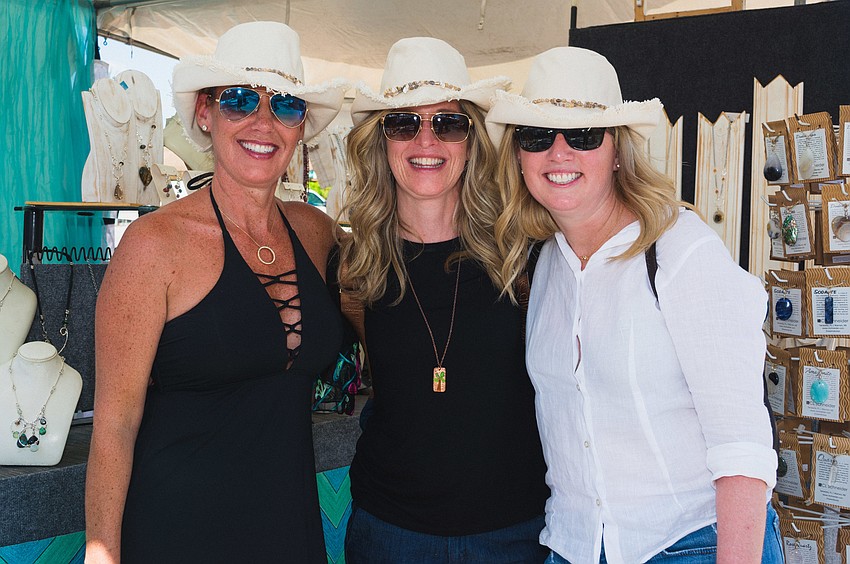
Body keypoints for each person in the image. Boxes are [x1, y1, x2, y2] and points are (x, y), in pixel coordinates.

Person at [486, 46, 782, 564]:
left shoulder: (678, 251)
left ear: (617, 150)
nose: (559, 154)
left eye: (582, 136)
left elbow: (742, 445)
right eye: (537, 137)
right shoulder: (540, 262)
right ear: (518, 155)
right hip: (574, 547)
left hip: (691, 544)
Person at [84, 21, 348, 563]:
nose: (263, 123)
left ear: (301, 129)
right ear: (205, 113)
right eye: (239, 101)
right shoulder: (152, 245)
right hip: (179, 533)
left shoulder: (316, 233)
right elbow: (114, 425)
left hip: (288, 529)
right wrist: (102, 553)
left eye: (286, 106)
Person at [337, 37, 550, 563]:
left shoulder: (526, 252)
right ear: (380, 140)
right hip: (390, 533)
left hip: (515, 533)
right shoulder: (353, 263)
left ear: (473, 140)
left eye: (448, 123)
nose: (425, 140)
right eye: (404, 123)